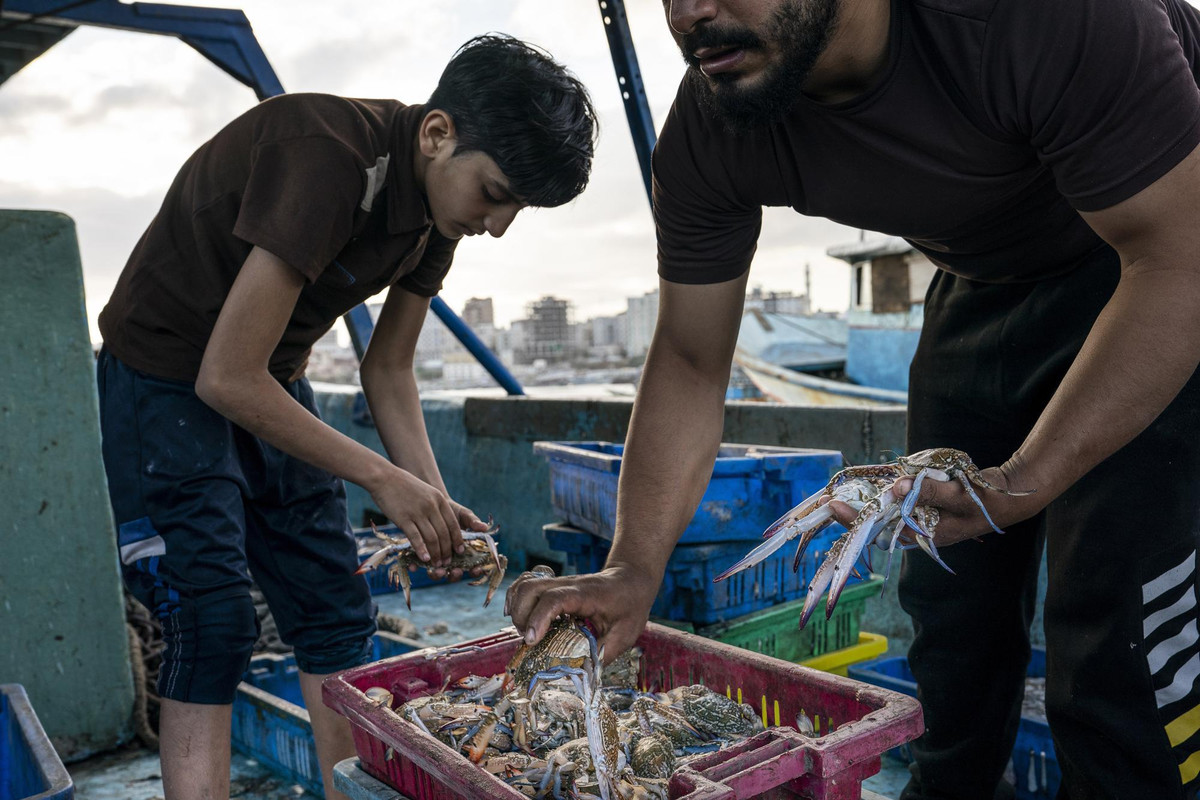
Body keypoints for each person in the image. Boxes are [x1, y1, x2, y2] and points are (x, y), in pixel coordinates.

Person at [505, 0, 1200, 797]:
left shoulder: (1044, 19)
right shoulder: (717, 113)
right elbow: (693, 360)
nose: (690, 12)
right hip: (981, 279)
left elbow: (1182, 259)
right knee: (948, 612)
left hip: (1158, 263)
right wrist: (632, 568)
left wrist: (1023, 482)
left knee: (1121, 634)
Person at [96, 33, 596, 800]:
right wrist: (382, 480)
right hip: (163, 375)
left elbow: (388, 368)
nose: (499, 224)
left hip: (270, 375)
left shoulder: (436, 218)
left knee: (335, 608)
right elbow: (224, 376)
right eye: (496, 193)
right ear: (437, 133)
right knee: (214, 620)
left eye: (517, 209)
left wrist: (432, 505)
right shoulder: (327, 158)